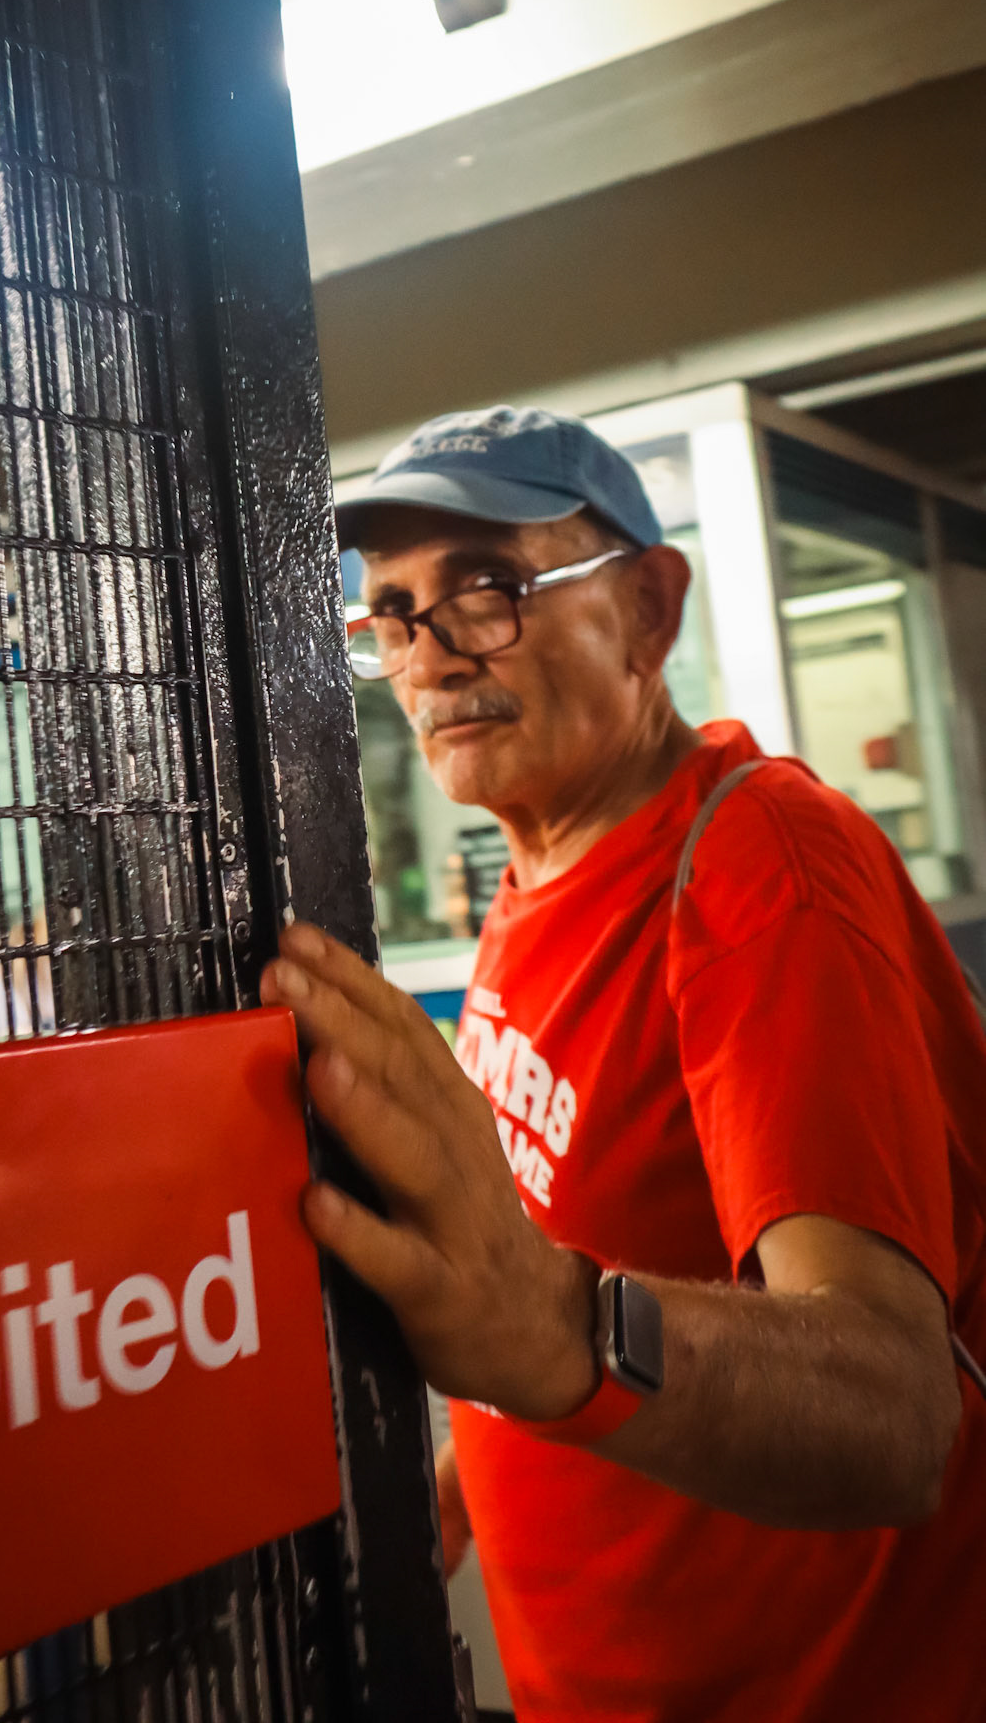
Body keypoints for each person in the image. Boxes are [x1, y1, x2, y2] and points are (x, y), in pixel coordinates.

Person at [259, 404, 986, 1723]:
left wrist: (544, 1326)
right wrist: (466, 1476)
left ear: (648, 610)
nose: (430, 658)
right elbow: (589, 1236)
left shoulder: (760, 870)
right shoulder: (534, 871)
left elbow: (893, 1413)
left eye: (487, 589)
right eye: (395, 614)